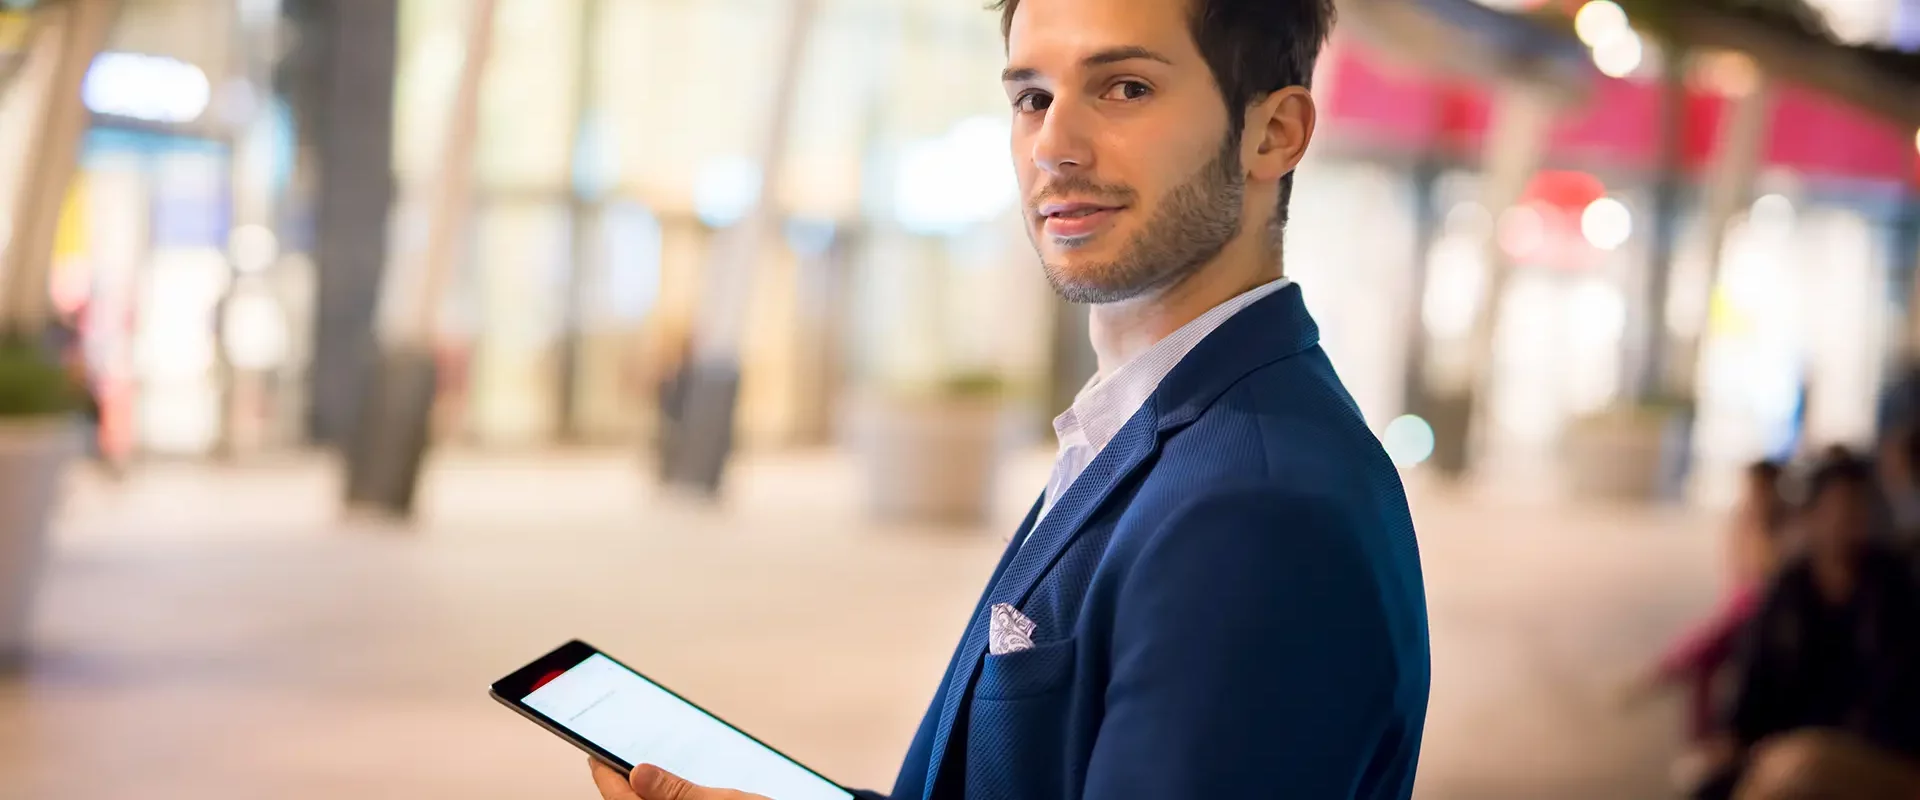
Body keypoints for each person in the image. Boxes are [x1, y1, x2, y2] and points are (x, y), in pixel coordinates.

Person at [590, 0, 1430, 798]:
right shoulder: (1150, 424)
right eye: (1032, 97)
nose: (1053, 145)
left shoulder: (1256, 506)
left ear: (1273, 134)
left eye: (1125, 87)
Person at [1692, 455, 1920, 800]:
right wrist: (1735, 735)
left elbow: (1898, 695)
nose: (1846, 522)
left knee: (1797, 776)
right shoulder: (1789, 588)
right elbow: (1756, 675)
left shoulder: (1893, 587)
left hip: (1870, 752)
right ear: (1811, 516)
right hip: (1783, 748)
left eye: (1856, 509)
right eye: (1835, 510)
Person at [1624, 462, 1784, 750]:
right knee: (1705, 656)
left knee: (1705, 651)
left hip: (1762, 613)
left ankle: (1663, 673)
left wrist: (1762, 530)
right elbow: (1740, 572)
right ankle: (1700, 737)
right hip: (1742, 607)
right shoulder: (1743, 520)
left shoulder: (1783, 524)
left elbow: (1768, 574)